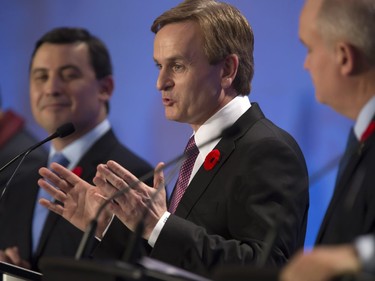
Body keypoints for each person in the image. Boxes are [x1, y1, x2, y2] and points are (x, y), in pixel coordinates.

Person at [38, 0, 309, 277]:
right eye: (159, 66)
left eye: (177, 66)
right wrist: (108, 227)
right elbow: (173, 263)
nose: (161, 82)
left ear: (227, 70)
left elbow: (269, 268)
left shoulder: (267, 149)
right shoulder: (198, 148)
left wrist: (160, 225)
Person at [0, 27, 152, 271]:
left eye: (69, 75)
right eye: (41, 76)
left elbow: (141, 269)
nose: (51, 88)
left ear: (106, 88)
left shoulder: (134, 178)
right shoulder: (19, 180)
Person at [280, 0, 375, 280]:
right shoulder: (359, 137)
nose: (306, 64)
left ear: (344, 56)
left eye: (309, 48)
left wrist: (356, 256)